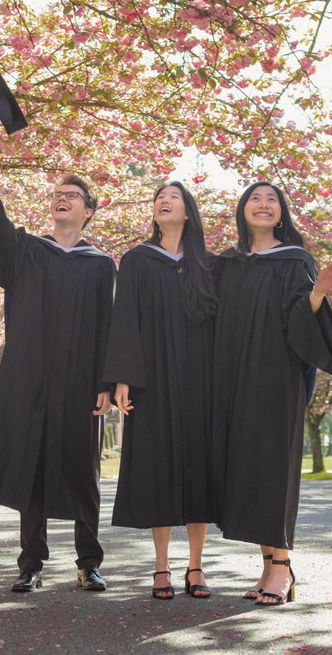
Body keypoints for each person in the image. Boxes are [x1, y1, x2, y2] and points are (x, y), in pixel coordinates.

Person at [0, 123, 116, 593]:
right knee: (32, 466)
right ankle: (31, 561)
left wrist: (105, 383)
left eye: (73, 194)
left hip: (80, 381)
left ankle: (88, 561)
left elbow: (109, 329)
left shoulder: (100, 265)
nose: (63, 198)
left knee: (82, 472)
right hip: (30, 376)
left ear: (88, 210)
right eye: (58, 193)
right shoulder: (28, 251)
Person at [212, 182, 332, 607]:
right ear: (242, 209)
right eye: (255, 198)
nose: (264, 204)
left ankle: (281, 566)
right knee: (248, 469)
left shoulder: (295, 261)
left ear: (282, 213)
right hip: (232, 381)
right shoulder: (226, 265)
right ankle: (270, 566)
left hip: (275, 380)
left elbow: (300, 325)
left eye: (272, 199)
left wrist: (317, 293)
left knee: (273, 468)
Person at [106, 182, 219, 600]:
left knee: (197, 467)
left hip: (199, 380)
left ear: (188, 211)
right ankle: (160, 566)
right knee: (158, 468)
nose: (164, 201)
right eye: (159, 198)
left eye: (173, 197)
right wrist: (121, 378)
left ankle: (196, 566)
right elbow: (125, 320)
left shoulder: (209, 265)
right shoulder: (137, 260)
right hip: (151, 380)